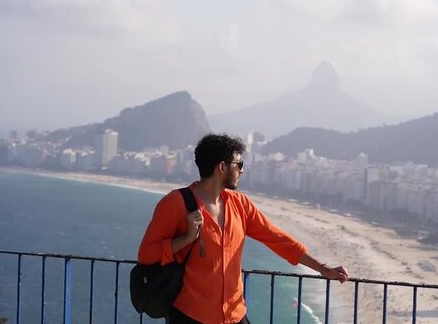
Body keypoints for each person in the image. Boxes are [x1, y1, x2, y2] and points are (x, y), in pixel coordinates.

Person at [138, 133, 349, 324]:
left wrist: (322, 268)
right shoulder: (175, 203)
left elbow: (278, 239)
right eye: (239, 164)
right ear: (222, 167)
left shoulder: (241, 204)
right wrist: (185, 239)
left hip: (235, 316)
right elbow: (146, 254)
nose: (242, 170)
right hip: (191, 316)